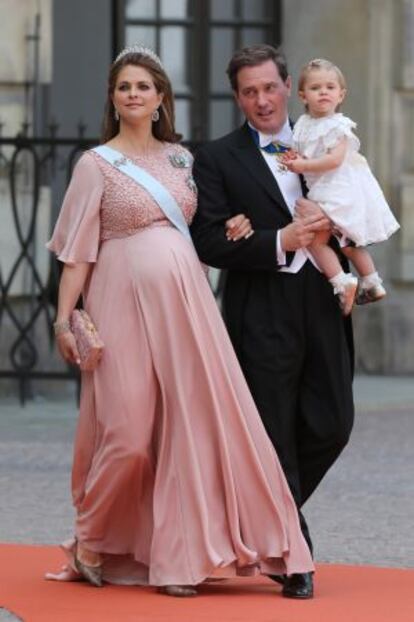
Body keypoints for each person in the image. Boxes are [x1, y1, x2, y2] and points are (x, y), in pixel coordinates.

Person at [45, 45, 314, 598]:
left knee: (188, 431)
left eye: (144, 86)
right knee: (128, 434)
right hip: (119, 301)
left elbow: (209, 225)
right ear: (114, 100)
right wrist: (63, 320)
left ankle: (180, 558)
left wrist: (238, 225)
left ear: (160, 97)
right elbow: (76, 254)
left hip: (186, 306)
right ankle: (90, 539)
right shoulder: (95, 164)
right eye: (125, 87)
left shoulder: (182, 160)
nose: (134, 94)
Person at [191, 44, 355, 599]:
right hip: (259, 307)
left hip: (325, 298)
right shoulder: (215, 158)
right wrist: (274, 240)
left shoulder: (328, 139)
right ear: (237, 97)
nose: (261, 100)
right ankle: (291, 552)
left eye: (269, 87)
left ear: (289, 86)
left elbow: (359, 205)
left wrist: (347, 236)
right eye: (249, 92)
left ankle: (250, 521)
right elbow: (209, 240)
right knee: (274, 432)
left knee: (334, 422)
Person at [282, 58, 399, 315]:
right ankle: (372, 282)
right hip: (324, 187)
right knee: (348, 243)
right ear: (302, 95)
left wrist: (303, 166)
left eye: (330, 87)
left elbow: (334, 160)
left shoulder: (339, 126)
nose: (323, 92)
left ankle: (343, 282)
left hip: (338, 188)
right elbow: (297, 150)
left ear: (341, 94)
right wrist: (292, 158)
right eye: (315, 88)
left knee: (316, 242)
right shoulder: (302, 125)